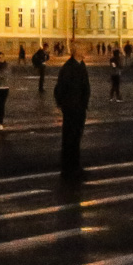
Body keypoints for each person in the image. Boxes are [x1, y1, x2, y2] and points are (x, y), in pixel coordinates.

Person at [55, 40, 92, 180]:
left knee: (76, 138)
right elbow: (60, 89)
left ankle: (75, 167)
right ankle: (68, 169)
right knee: (70, 139)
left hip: (79, 108)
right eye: (83, 47)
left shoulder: (80, 65)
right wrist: (66, 106)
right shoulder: (68, 67)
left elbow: (84, 87)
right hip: (72, 109)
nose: (86, 49)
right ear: (76, 51)